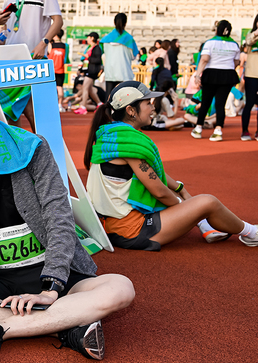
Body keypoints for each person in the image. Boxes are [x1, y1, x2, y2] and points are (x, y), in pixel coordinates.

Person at [0, 68, 134, 360]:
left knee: (121, 288)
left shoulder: (32, 148)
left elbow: (59, 217)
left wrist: (50, 289)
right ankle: (66, 329)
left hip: (53, 270)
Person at [84, 80, 258, 249]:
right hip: (131, 230)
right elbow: (159, 191)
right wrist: (188, 207)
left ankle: (206, 226)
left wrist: (180, 188)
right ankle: (251, 233)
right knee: (208, 202)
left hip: (110, 225)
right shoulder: (128, 144)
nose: (153, 107)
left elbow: (151, 173)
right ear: (131, 110)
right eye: (148, 103)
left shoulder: (111, 136)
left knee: (186, 198)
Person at [0, 0, 63, 129]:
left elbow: (58, 21)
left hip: (34, 58)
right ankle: (17, 147)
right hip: (11, 60)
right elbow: (5, 24)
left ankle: (46, 145)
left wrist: (43, 43)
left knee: (34, 112)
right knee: (11, 111)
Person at [190, 20, 241, 142]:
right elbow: (236, 62)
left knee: (205, 102)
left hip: (211, 74)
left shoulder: (210, 42)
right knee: (220, 104)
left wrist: (197, 75)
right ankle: (218, 131)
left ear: (217, 30)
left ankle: (198, 128)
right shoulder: (234, 44)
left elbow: (204, 59)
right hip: (227, 74)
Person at [100, 13, 138, 98]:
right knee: (126, 99)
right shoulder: (129, 39)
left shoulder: (105, 40)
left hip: (110, 72)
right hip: (125, 73)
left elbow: (102, 55)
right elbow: (133, 56)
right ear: (125, 23)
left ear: (114, 22)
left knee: (109, 98)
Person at [74, 32, 103, 114]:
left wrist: (88, 57)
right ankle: (99, 104)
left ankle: (83, 107)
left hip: (92, 71)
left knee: (85, 88)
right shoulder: (91, 47)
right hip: (89, 70)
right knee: (90, 90)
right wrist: (82, 69)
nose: (87, 39)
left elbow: (98, 60)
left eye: (88, 37)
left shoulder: (97, 48)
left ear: (92, 38)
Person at [241, 14, 258, 141]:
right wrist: (256, 32)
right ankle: (245, 130)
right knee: (249, 103)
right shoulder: (250, 35)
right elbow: (248, 42)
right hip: (252, 75)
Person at [47, 29, 67, 111]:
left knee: (50, 88)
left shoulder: (50, 45)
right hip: (61, 69)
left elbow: (48, 53)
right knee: (60, 87)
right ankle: (59, 105)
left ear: (55, 35)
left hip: (52, 69)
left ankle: (50, 104)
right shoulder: (64, 45)